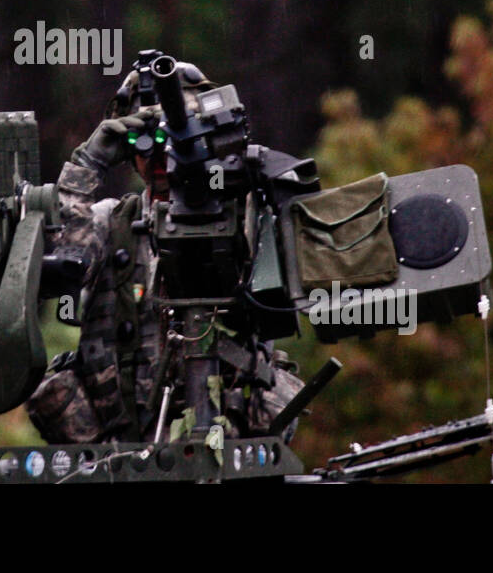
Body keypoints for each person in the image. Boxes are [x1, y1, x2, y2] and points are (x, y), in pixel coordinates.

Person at [25, 59, 305, 445]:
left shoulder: (244, 221)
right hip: (119, 451)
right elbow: (65, 264)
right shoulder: (111, 223)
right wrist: (87, 164)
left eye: (175, 142)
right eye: (147, 144)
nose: (160, 157)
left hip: (227, 445)